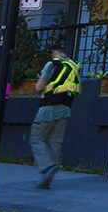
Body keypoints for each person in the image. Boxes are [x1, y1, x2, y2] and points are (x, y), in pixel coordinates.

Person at [29, 43, 81, 188]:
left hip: (48, 107)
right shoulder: (74, 67)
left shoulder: (52, 65)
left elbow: (39, 87)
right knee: (55, 142)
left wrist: (42, 87)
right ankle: (49, 175)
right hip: (65, 109)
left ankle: (47, 167)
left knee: (37, 139)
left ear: (55, 52)